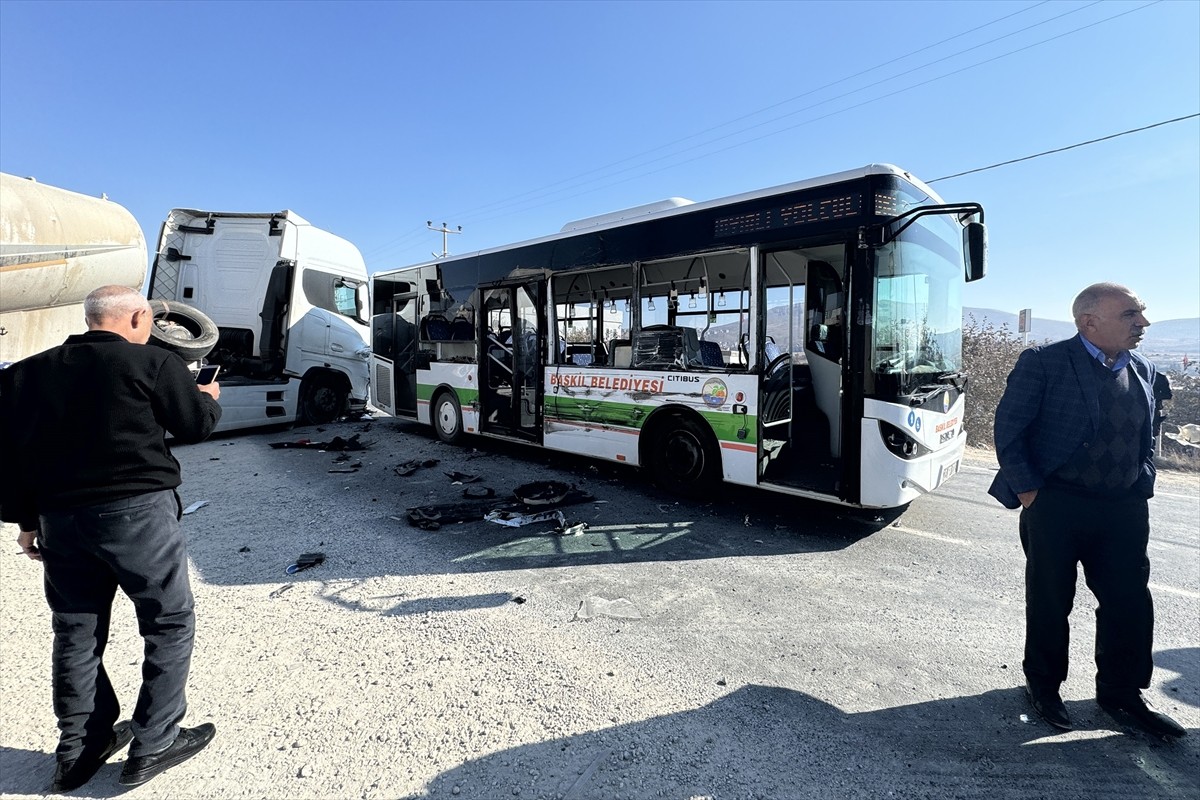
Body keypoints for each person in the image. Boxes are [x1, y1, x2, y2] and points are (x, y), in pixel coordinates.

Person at [0, 286, 225, 791]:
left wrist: (24, 522)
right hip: (138, 516)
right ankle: (156, 742)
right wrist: (206, 399)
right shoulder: (151, 363)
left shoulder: (24, 374)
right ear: (140, 316)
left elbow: (8, 458)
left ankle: (79, 749)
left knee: (76, 633)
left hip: (60, 520)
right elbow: (194, 426)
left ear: (89, 319)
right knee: (166, 622)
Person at [988, 282, 1186, 738]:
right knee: (1051, 599)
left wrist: (1142, 485)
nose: (1143, 323)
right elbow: (1010, 431)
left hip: (1123, 508)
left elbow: (1147, 435)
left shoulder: (1146, 370)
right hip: (1056, 503)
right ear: (1089, 322)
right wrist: (1031, 494)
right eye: (1131, 315)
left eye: (1142, 313)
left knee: (1129, 602)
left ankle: (1122, 693)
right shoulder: (1044, 363)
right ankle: (1044, 687)